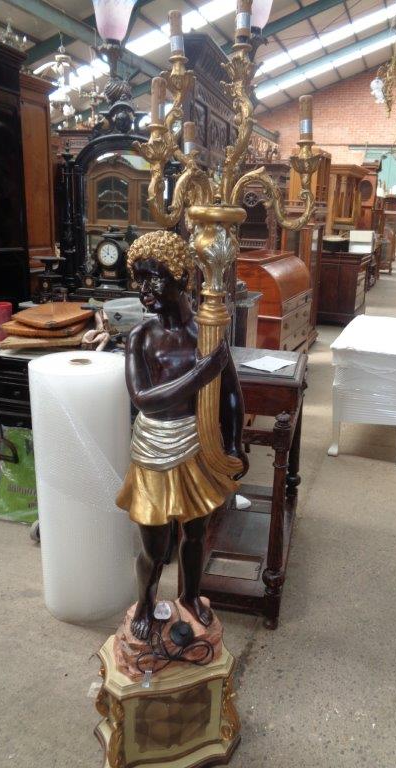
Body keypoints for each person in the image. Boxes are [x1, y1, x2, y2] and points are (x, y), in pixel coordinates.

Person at [116, 230, 248, 641]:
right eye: (139, 279)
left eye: (154, 278)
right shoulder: (141, 337)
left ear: (181, 277)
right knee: (154, 546)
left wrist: (234, 444)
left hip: (197, 443)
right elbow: (143, 399)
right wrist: (200, 374)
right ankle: (145, 602)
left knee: (194, 533)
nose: (144, 289)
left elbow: (230, 395)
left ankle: (190, 596)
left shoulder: (205, 335)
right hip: (154, 448)